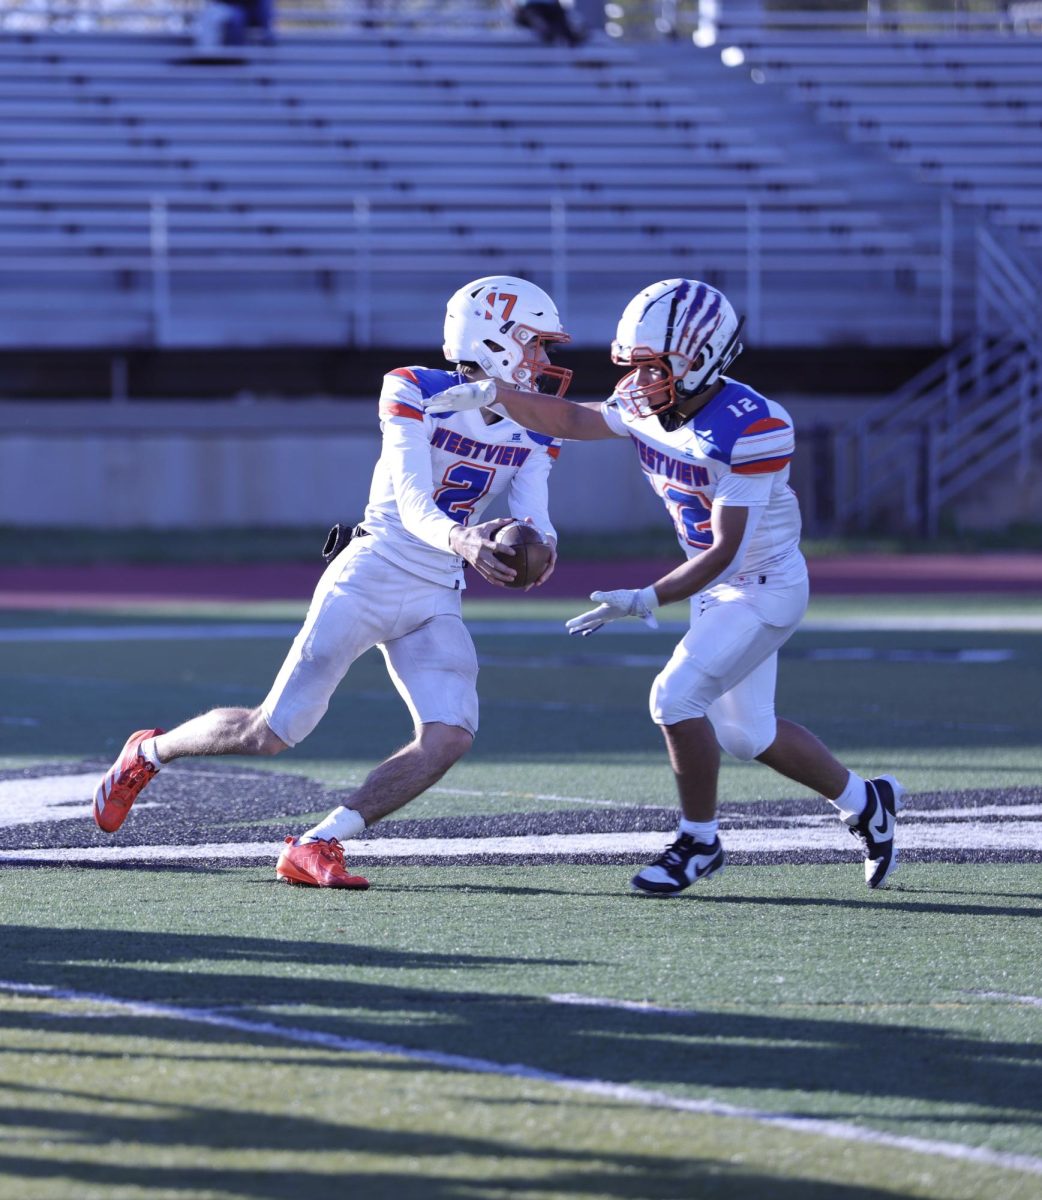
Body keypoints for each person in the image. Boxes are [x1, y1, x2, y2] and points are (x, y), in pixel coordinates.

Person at [92, 275, 571, 889]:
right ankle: (148, 752)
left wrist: (542, 549)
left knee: (449, 735)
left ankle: (320, 841)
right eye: (536, 344)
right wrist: (464, 539)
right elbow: (411, 498)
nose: (546, 360)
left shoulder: (538, 427)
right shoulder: (412, 388)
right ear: (495, 340)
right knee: (270, 732)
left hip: (436, 593)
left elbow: (538, 516)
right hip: (371, 572)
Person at [428, 278, 904, 895]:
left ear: (703, 357)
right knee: (747, 735)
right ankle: (868, 803)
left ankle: (698, 842)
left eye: (656, 367)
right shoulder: (645, 402)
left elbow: (726, 550)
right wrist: (497, 392)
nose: (642, 381)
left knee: (672, 699)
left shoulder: (751, 427)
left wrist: (648, 597)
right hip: (717, 588)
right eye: (638, 366)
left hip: (761, 586)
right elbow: (573, 418)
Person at [511, 0, 586, 47]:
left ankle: (570, 39)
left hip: (549, 8)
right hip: (532, 8)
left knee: (561, 23)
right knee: (541, 24)